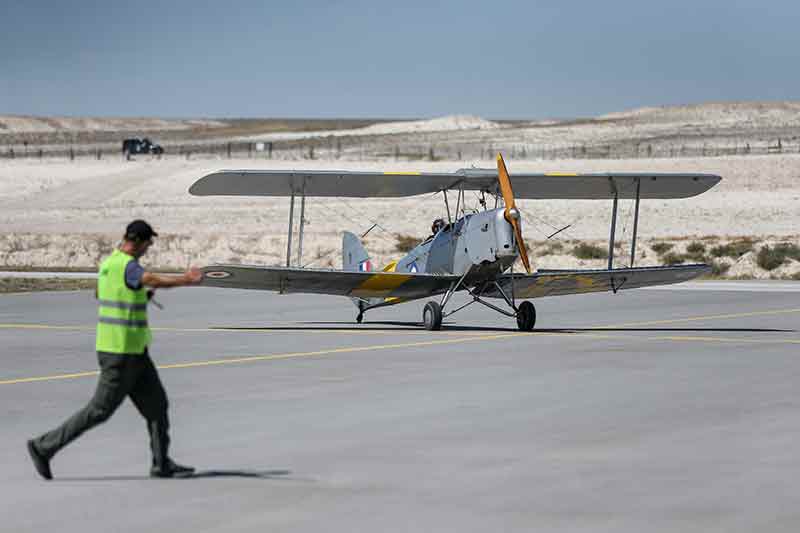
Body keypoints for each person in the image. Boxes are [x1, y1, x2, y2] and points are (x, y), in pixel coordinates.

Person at [26, 220, 203, 480]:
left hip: (134, 352)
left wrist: (140, 297)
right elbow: (149, 278)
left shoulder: (109, 264)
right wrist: (185, 280)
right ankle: (44, 447)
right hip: (120, 354)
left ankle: (161, 463)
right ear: (140, 242)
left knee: (157, 406)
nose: (149, 248)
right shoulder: (129, 266)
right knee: (99, 410)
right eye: (149, 243)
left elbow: (101, 294)